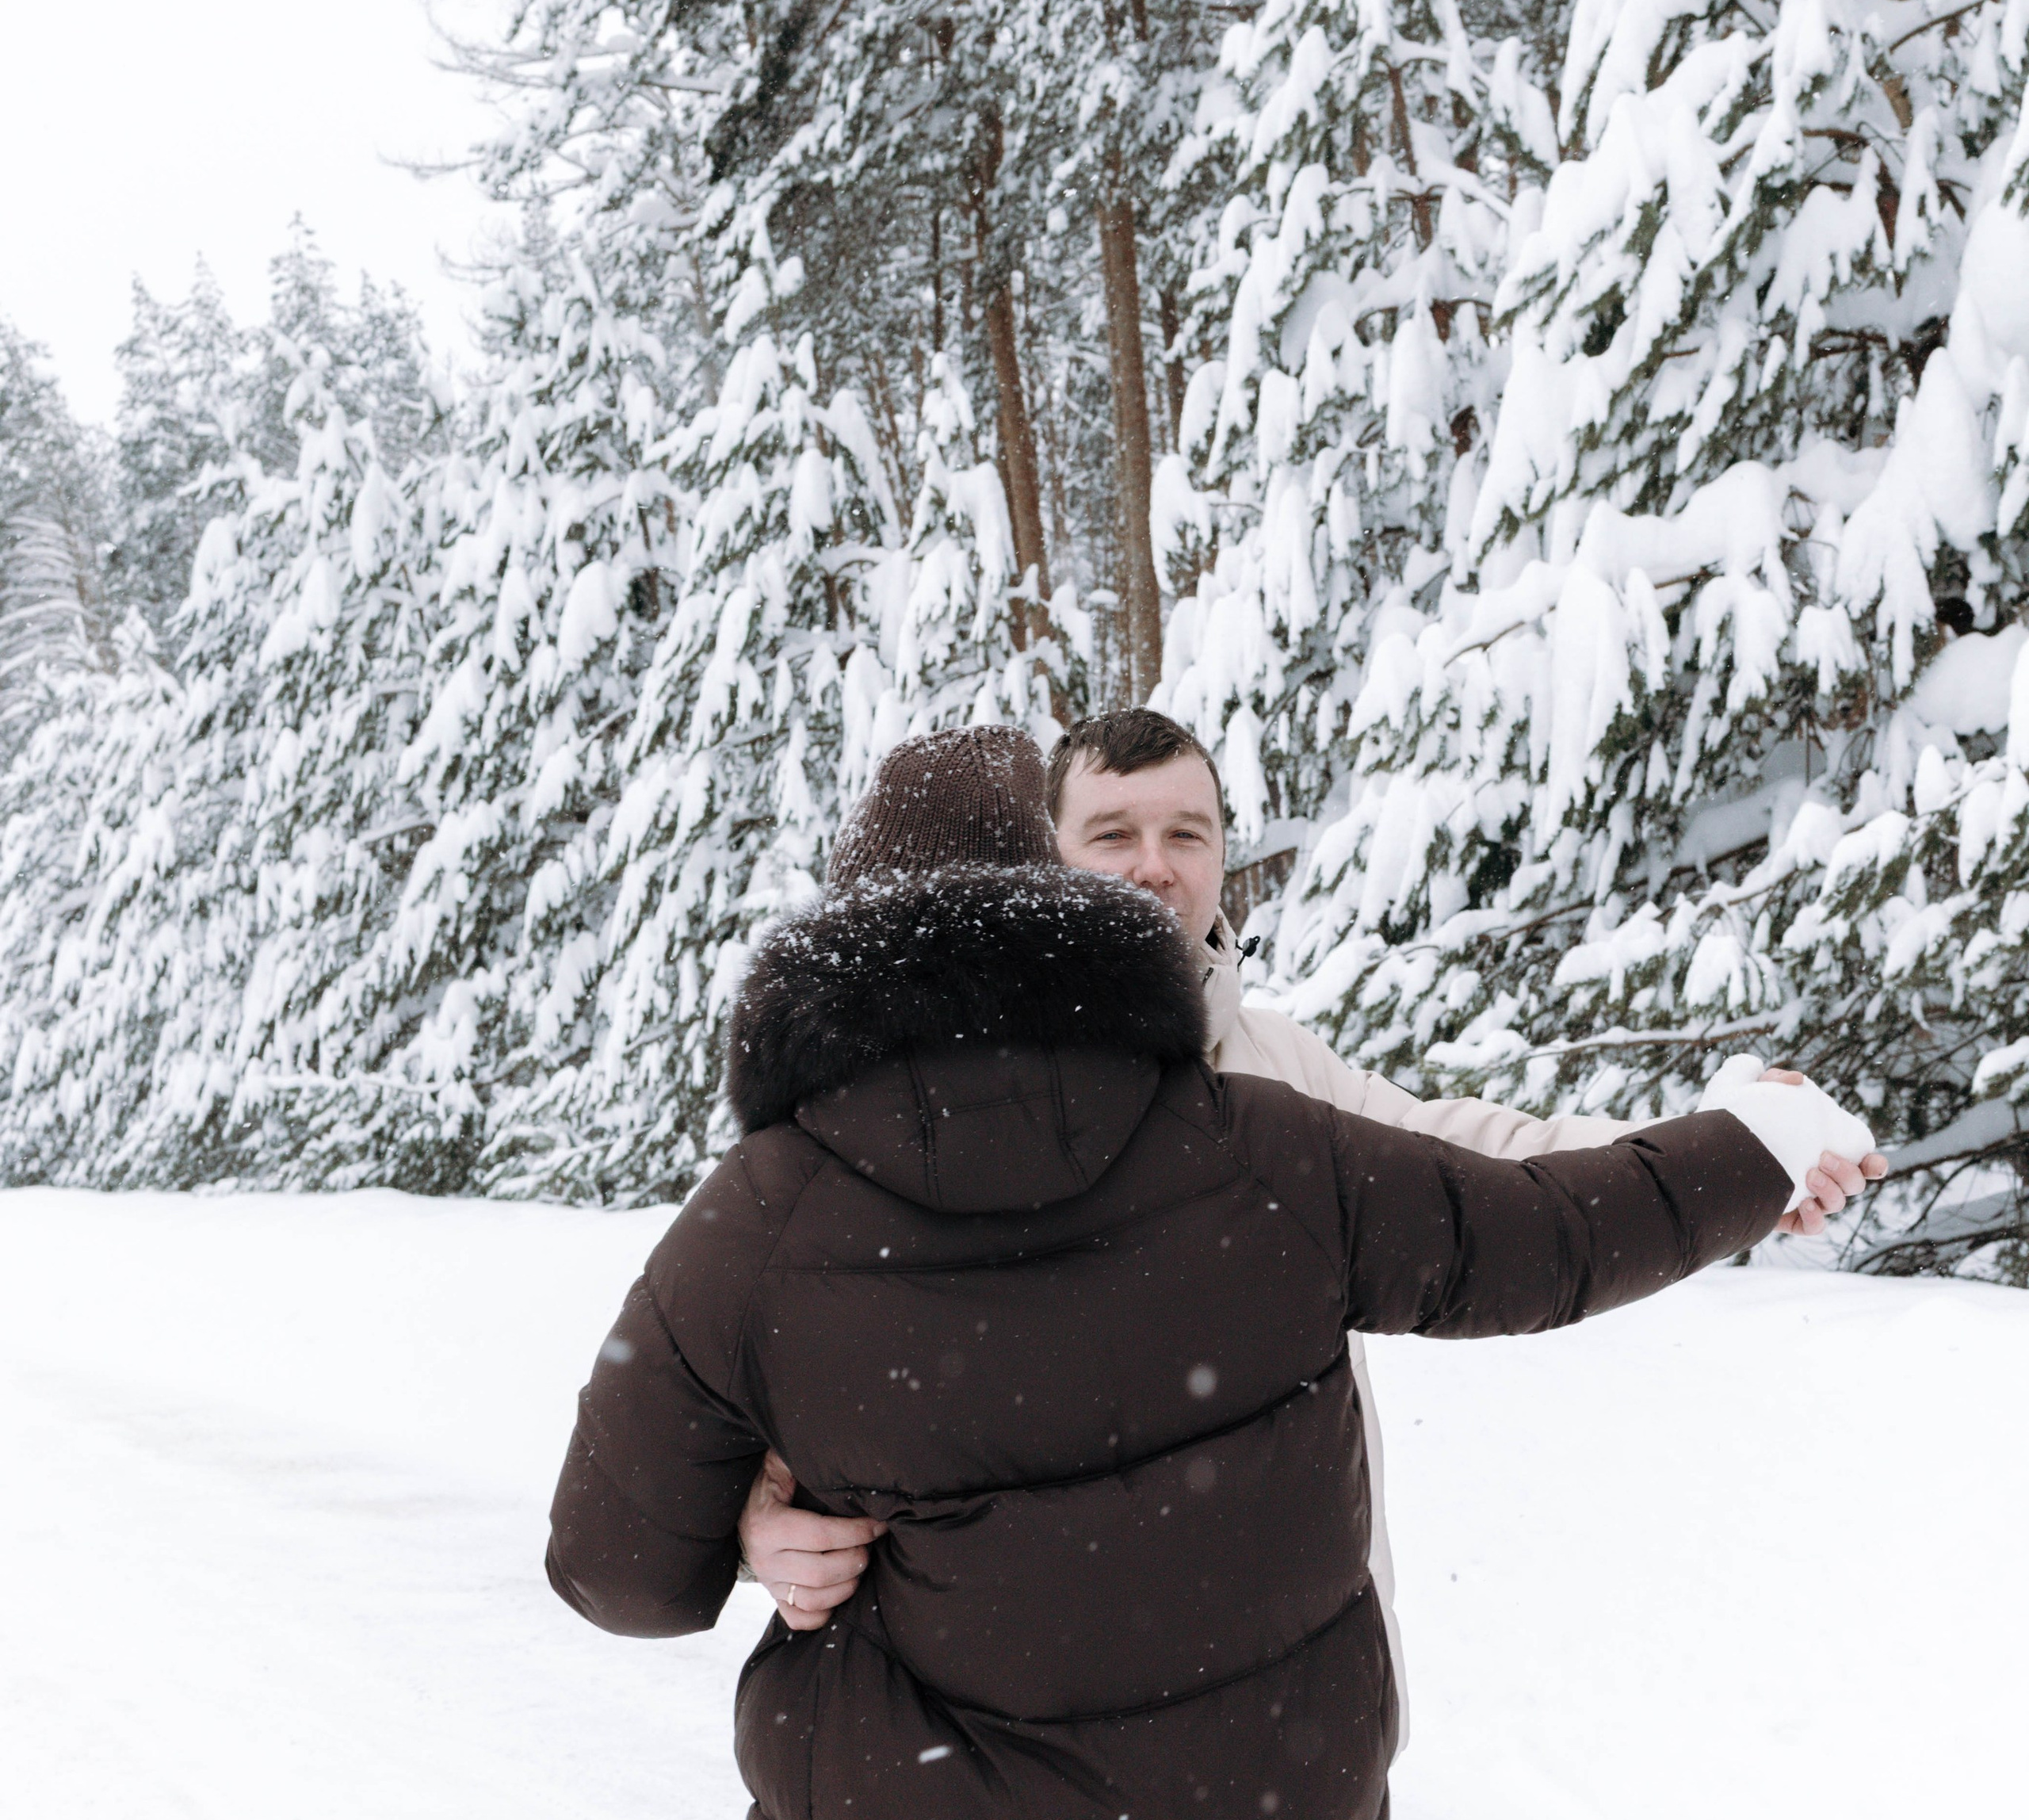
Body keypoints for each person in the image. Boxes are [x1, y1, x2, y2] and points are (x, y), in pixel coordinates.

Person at [547, 725, 1859, 1820]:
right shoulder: (1254, 1143)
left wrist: (744, 1526)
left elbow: (616, 1573)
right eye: (1114, 839)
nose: (1155, 870)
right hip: (1279, 1780)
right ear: (1057, 889)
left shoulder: (756, 1223)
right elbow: (1542, 1231)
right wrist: (1750, 1150)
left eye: (1189, 835)